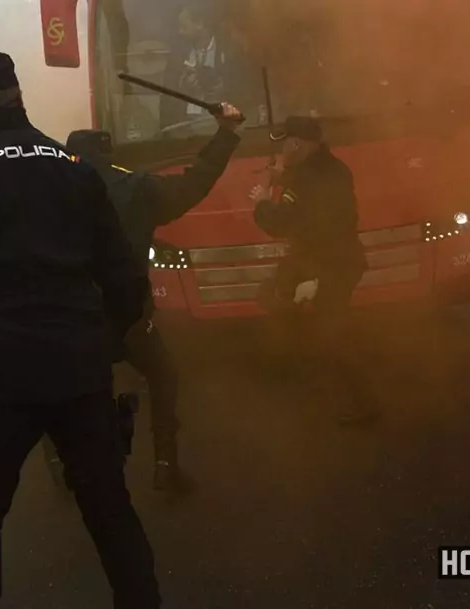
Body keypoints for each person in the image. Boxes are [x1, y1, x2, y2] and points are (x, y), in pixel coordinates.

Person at [0, 52, 160, 609]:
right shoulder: (74, 165)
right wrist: (105, 338)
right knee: (109, 506)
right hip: (81, 365)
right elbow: (122, 271)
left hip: (0, 372)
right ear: (19, 95)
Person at [63, 103, 243, 490]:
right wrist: (226, 134)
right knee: (163, 376)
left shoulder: (45, 196)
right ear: (109, 154)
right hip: (129, 317)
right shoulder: (135, 187)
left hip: (72, 321)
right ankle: (165, 465)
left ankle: (71, 471)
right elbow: (194, 183)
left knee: (69, 392)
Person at [251, 116, 377, 426]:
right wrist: (287, 176)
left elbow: (281, 222)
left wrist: (263, 201)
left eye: (284, 143)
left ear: (295, 143)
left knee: (332, 335)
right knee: (285, 305)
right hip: (337, 260)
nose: (281, 149)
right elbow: (314, 203)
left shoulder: (305, 178)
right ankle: (320, 383)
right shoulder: (333, 168)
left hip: (329, 265)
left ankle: (360, 404)